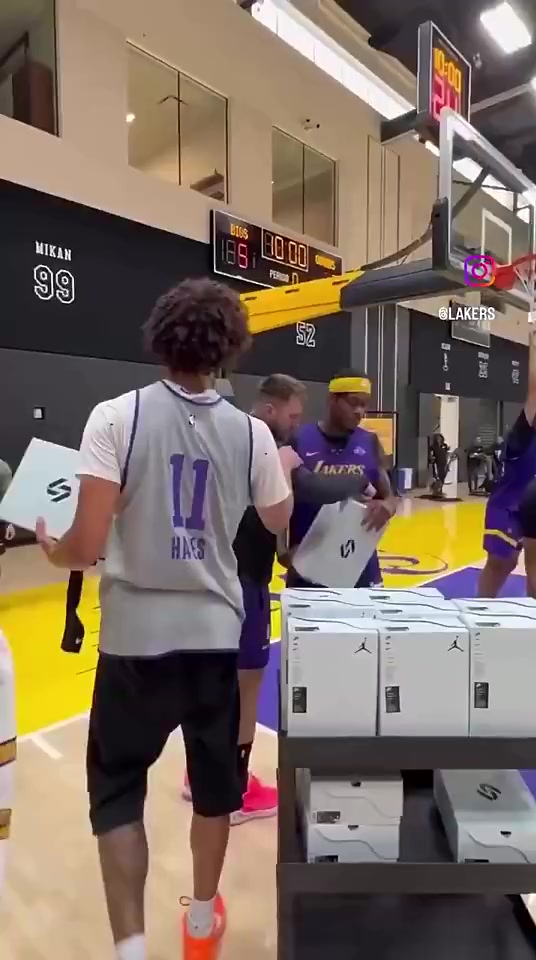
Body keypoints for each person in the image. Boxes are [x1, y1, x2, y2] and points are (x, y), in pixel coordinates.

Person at [36, 278, 294, 960]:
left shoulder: (114, 418)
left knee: (119, 791)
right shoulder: (252, 433)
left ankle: (131, 950)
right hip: (213, 638)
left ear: (159, 338)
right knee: (214, 790)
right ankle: (202, 921)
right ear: (229, 349)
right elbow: (279, 517)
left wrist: (52, 546)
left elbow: (85, 547)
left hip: (135, 641)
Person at [183, 372, 374, 822]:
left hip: (209, 575)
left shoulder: (222, 435)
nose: (296, 424)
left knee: (216, 680)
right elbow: (314, 488)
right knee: (247, 684)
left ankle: (199, 775)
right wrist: (363, 483)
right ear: (270, 410)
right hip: (243, 580)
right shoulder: (263, 446)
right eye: (292, 415)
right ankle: (235, 792)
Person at [285, 369, 396, 588]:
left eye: (364, 405)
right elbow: (280, 499)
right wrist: (283, 551)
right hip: (309, 566)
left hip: (360, 567)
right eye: (353, 403)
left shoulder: (370, 442)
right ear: (332, 399)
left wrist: (387, 507)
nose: (359, 411)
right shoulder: (299, 439)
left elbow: (391, 498)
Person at [478, 328, 536, 598]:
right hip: (508, 507)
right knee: (503, 563)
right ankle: (480, 608)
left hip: (535, 508)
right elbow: (535, 390)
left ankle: (532, 617)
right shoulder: (523, 434)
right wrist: (534, 343)